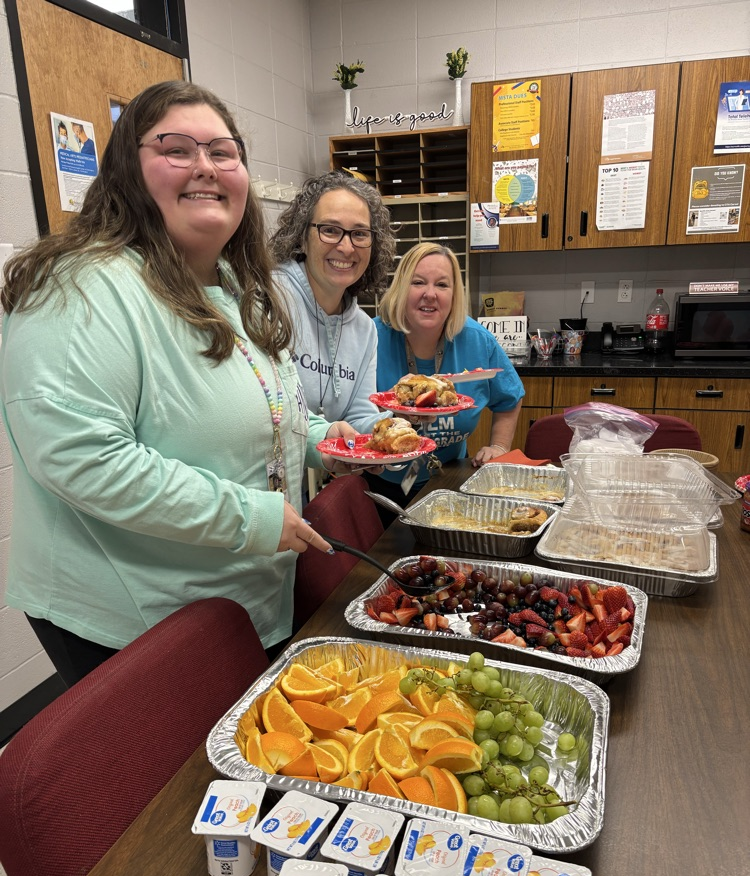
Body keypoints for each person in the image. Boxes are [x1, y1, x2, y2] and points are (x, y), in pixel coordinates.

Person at [0, 80, 359, 687]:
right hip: (137, 620)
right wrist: (249, 518)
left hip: (241, 602)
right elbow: (81, 456)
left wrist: (326, 439)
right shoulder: (81, 285)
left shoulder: (233, 287)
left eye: (223, 152)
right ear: (126, 171)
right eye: (175, 148)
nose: (205, 167)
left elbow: (269, 408)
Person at [367, 242, 524, 517]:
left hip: (449, 479)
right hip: (380, 485)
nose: (430, 294)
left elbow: (510, 397)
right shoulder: (369, 338)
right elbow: (347, 413)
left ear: (455, 294)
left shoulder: (477, 341)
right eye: (418, 282)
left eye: (442, 285)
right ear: (401, 287)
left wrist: (499, 447)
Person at [270, 171, 395, 433]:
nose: (346, 247)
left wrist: (393, 421)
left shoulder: (364, 329)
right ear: (302, 237)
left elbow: (358, 416)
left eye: (359, 234)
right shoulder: (268, 299)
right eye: (329, 230)